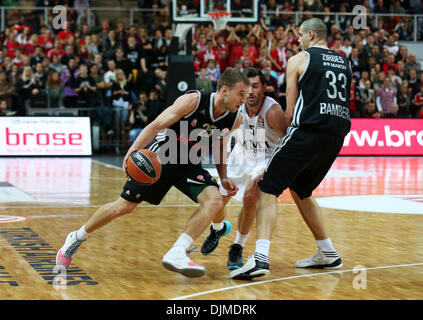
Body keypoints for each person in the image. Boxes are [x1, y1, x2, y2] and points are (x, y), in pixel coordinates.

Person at [56, 68, 250, 278]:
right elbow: (156, 125)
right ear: (224, 90)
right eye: (241, 93)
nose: (244, 99)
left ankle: (178, 251)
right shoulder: (193, 101)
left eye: (246, 95)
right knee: (124, 207)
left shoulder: (234, 119)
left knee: (215, 200)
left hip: (190, 164)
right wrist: (133, 150)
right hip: (162, 158)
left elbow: (220, 146)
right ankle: (77, 236)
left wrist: (223, 177)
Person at [231, 18, 352, 280]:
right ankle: (328, 252)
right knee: (301, 189)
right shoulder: (345, 62)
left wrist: (278, 133)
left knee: (267, 187)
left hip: (307, 132)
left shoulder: (298, 60)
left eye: (299, 35)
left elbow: (291, 109)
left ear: (310, 34)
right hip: (337, 135)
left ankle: (260, 258)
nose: (297, 40)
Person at [200, 67, 286, 270]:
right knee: (216, 203)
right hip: (240, 155)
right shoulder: (236, 107)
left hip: (265, 159)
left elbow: (287, 142)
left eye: (256, 87)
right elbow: (222, 138)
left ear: (264, 88)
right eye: (247, 87)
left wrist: (273, 168)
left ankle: (237, 246)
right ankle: (217, 229)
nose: (250, 92)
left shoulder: (272, 112)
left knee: (250, 197)